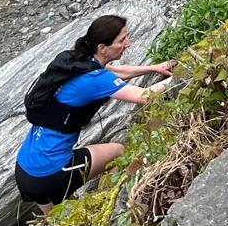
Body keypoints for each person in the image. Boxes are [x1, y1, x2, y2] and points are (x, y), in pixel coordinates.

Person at [14, 14, 173, 209]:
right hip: (50, 171)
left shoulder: (75, 62)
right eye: (122, 40)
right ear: (102, 48)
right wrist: (184, 73)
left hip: (25, 169)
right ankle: (105, 205)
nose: (128, 43)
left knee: (64, 218)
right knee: (118, 151)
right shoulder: (94, 79)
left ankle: (71, 221)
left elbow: (116, 72)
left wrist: (155, 68)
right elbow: (146, 96)